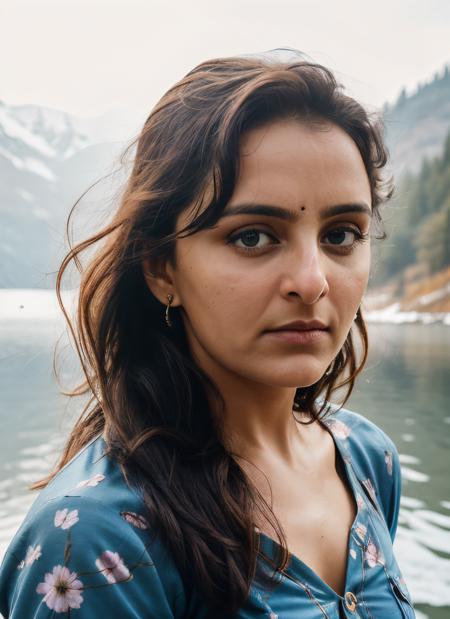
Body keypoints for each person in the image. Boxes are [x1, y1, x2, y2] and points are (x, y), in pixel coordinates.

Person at [0, 50, 416, 618]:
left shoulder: (369, 461)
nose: (312, 281)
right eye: (252, 237)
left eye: (342, 234)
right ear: (160, 268)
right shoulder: (94, 544)